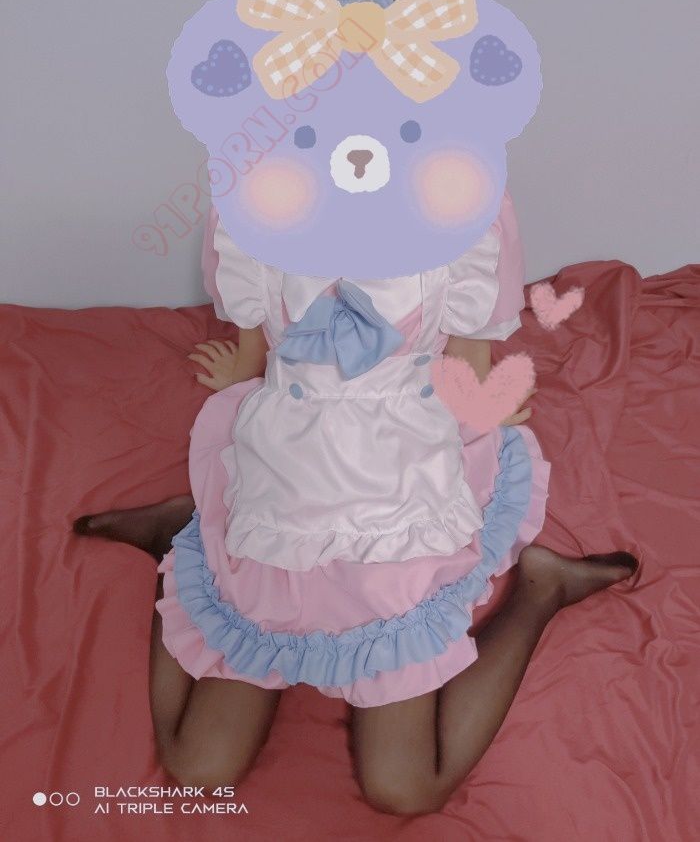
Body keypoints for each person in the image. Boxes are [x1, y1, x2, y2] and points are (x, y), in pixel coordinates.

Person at [75, 189, 638, 816]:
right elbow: (259, 350)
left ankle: (541, 589)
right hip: (284, 489)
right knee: (197, 768)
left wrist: (484, 404)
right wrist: (244, 372)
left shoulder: (457, 215)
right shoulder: (262, 203)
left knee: (405, 788)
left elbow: (467, 367)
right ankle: (184, 538)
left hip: (401, 496)